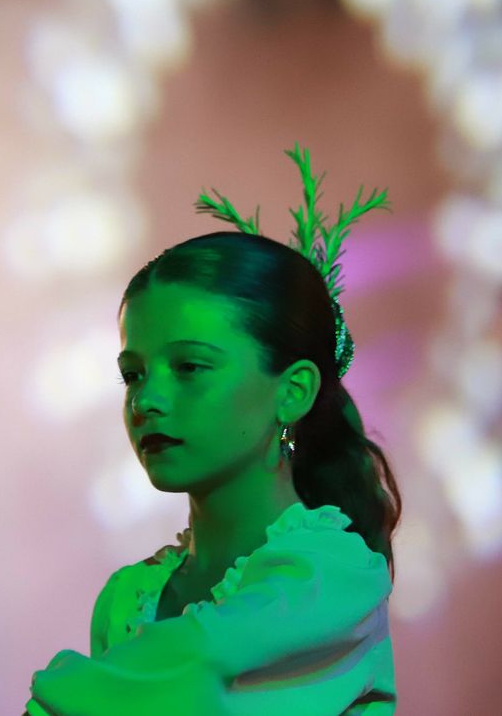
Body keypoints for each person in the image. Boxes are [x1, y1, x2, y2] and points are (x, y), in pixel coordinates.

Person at [22, 145, 402, 715]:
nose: (147, 399)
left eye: (190, 367)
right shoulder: (128, 601)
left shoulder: (331, 577)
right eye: (133, 375)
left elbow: (186, 676)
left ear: (292, 390)